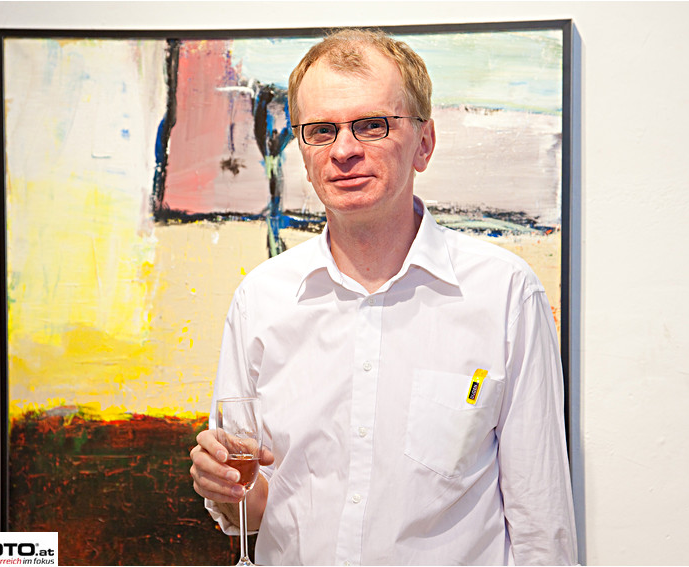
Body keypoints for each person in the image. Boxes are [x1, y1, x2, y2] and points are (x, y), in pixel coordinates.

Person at [190, 28, 577, 565]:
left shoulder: (505, 294)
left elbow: (542, 526)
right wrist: (225, 489)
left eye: (372, 125)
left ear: (424, 143)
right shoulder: (261, 299)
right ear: (303, 151)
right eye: (321, 130)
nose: (344, 150)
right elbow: (252, 517)